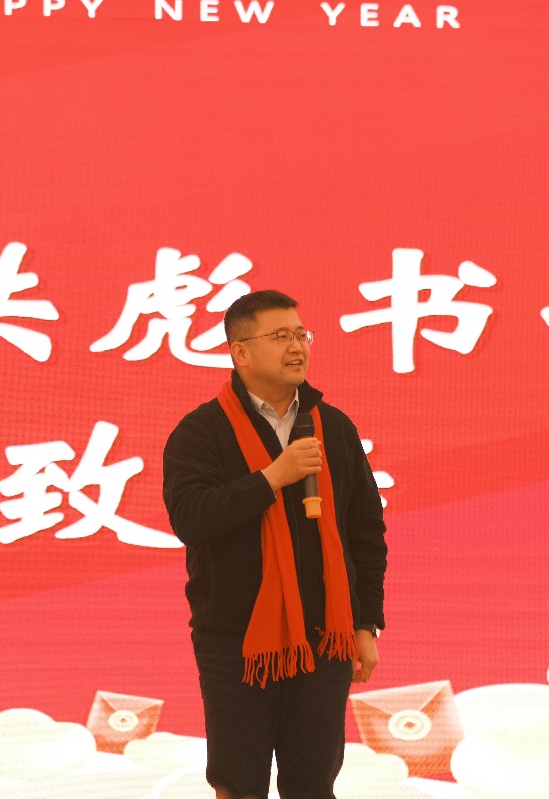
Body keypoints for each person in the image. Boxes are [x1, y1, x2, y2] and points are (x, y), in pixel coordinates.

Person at [163, 289, 388, 799]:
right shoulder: (202, 431)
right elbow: (191, 518)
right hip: (237, 642)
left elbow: (365, 533)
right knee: (239, 785)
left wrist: (365, 623)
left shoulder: (334, 428)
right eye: (280, 335)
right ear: (240, 351)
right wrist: (272, 478)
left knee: (313, 786)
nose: (297, 346)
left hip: (326, 639)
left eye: (301, 334)